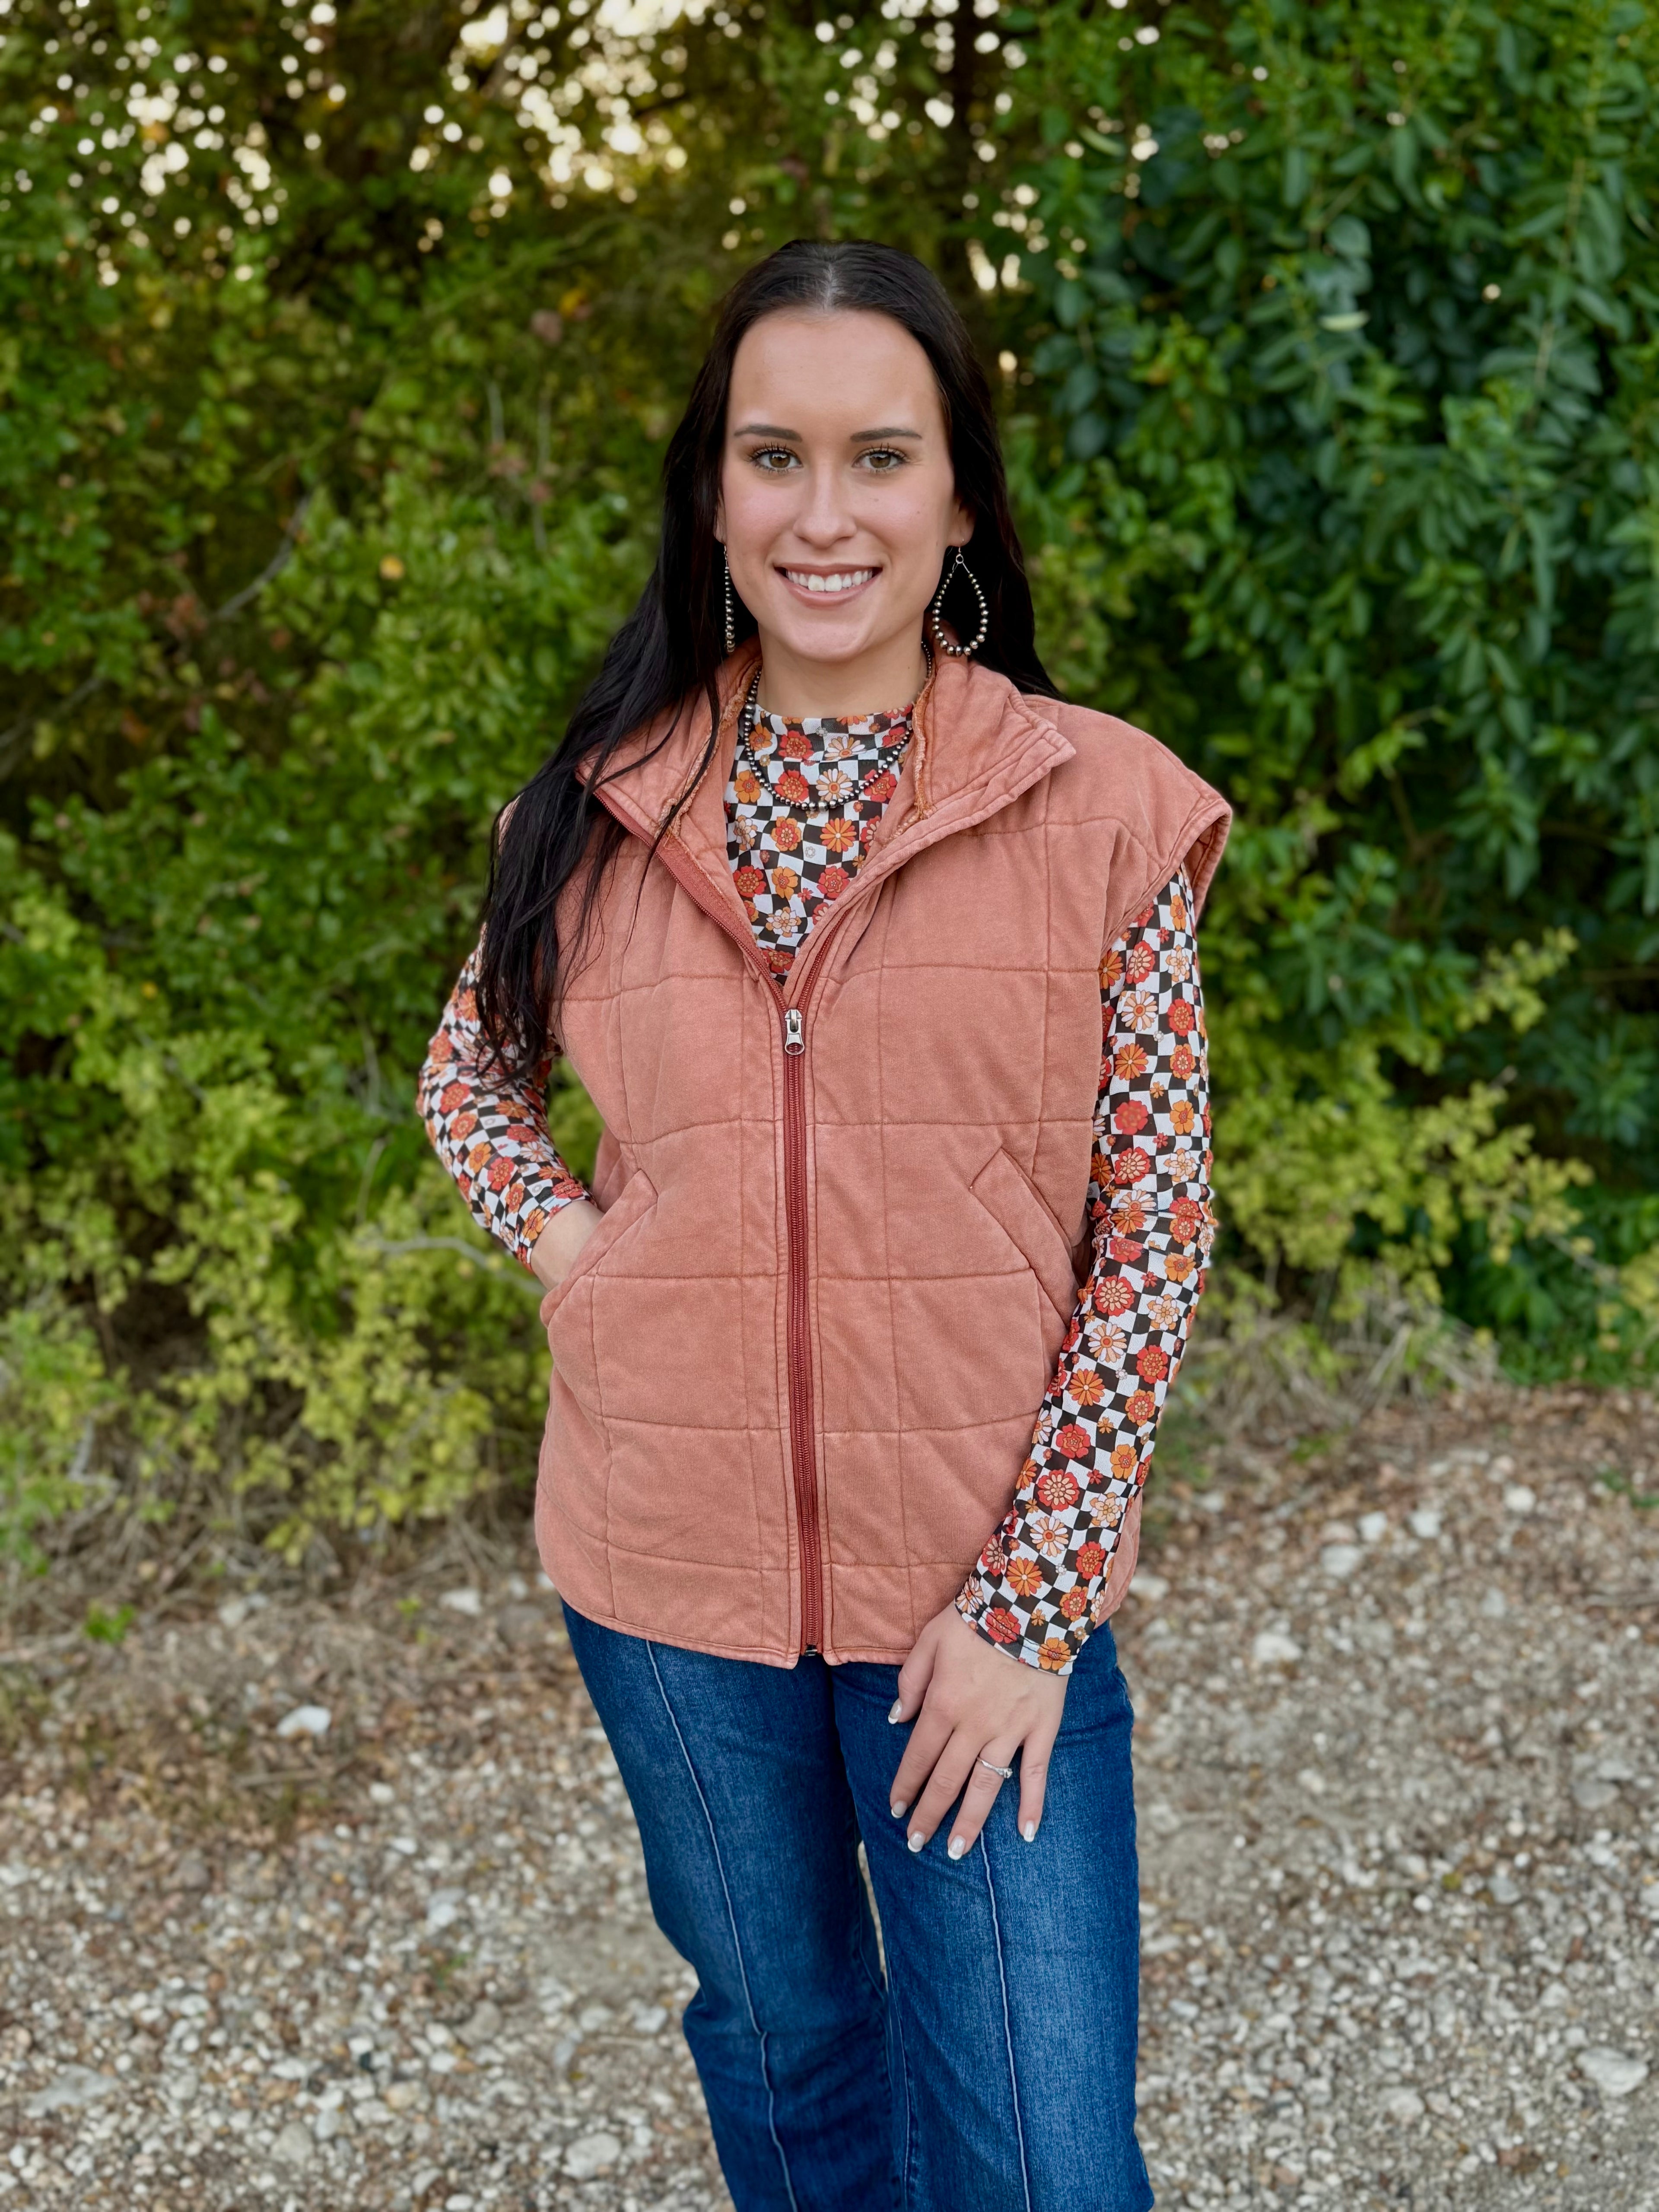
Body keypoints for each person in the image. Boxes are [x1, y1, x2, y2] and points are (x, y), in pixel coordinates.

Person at [420, 239, 1229, 2212]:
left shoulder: (1100, 809)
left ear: (957, 498)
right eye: (774, 456)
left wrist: (1029, 1612)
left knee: (1044, 2156)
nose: (824, 514)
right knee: (785, 2054)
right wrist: (586, 1262)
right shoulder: (594, 815)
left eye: (882, 457)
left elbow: (1154, 1233)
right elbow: (468, 1078)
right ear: (714, 493)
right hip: (667, 1588)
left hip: (980, 1597)